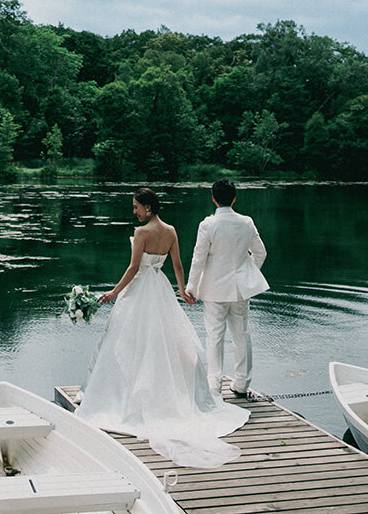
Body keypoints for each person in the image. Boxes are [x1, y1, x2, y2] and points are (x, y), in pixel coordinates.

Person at [76, 188, 248, 468]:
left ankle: (126, 394)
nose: (134, 212)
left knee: (127, 340)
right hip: (160, 289)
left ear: (147, 208)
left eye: (136, 207)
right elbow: (177, 265)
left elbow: (133, 268)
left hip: (140, 288)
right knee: (163, 340)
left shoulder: (142, 233)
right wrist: (182, 291)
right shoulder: (170, 231)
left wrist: (114, 293)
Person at [184, 179, 269, 399]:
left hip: (214, 289)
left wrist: (190, 288)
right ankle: (241, 384)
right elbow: (260, 253)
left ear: (213, 198)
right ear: (234, 198)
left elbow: (198, 259)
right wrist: (248, 274)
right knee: (242, 335)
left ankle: (214, 385)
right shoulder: (247, 222)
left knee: (214, 336)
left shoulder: (208, 225)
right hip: (240, 289)